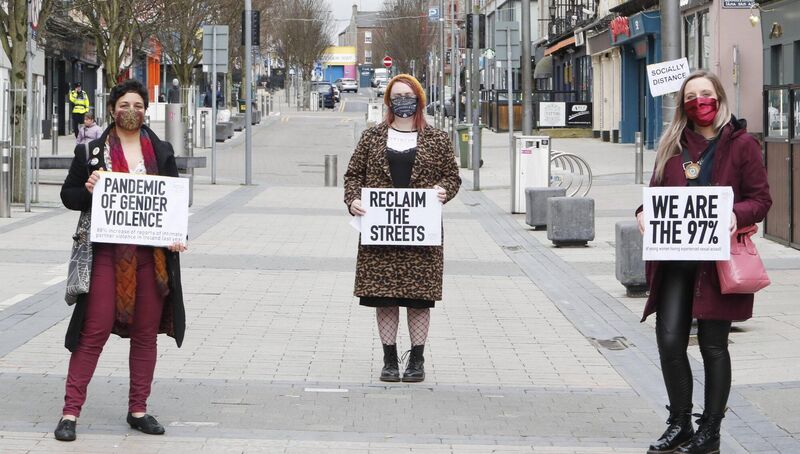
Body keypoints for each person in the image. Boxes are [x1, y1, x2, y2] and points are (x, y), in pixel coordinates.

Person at [636, 71, 771, 454]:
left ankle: (709, 431)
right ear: (683, 104)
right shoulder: (672, 144)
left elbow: (761, 199)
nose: (700, 101)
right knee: (669, 341)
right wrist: (643, 213)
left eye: (706, 94)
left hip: (718, 261)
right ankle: (679, 423)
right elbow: (654, 194)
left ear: (719, 96)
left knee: (714, 345)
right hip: (676, 259)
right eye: (692, 96)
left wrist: (736, 215)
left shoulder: (742, 144)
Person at [55, 79, 188, 442]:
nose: (132, 110)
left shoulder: (160, 151)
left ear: (147, 110)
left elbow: (175, 202)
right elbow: (68, 195)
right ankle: (70, 411)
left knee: (146, 333)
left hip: (150, 256)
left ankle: (138, 409)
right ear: (113, 108)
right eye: (125, 105)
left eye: (138, 105)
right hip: (105, 254)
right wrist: (86, 189)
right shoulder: (92, 152)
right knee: (93, 329)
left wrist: (179, 237)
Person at [344, 74, 461, 383]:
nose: (403, 101)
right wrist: (353, 199)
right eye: (396, 95)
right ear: (388, 101)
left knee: (418, 299)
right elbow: (353, 174)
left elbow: (452, 176)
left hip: (421, 236)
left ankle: (417, 360)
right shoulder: (372, 137)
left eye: (408, 95)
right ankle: (390, 359)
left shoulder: (437, 139)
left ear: (419, 99)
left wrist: (443, 190)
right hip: (380, 234)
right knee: (384, 298)